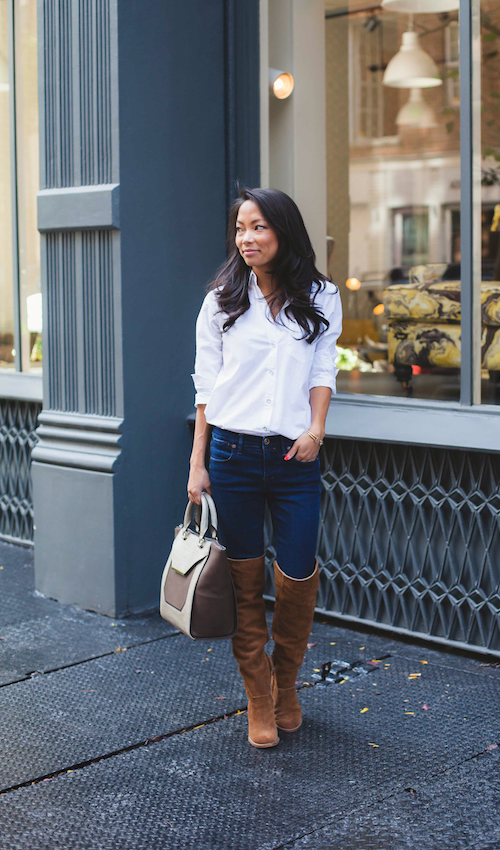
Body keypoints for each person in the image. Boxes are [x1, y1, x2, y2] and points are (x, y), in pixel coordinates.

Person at [187, 187, 342, 749]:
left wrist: (315, 431)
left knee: (299, 573)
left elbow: (324, 366)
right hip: (231, 454)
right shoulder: (222, 300)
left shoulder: (321, 295)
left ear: (283, 231)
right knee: (245, 582)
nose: (246, 239)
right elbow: (206, 386)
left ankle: (287, 683)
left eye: (258, 228)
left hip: (294, 456)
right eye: (239, 229)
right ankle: (258, 694)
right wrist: (197, 462)